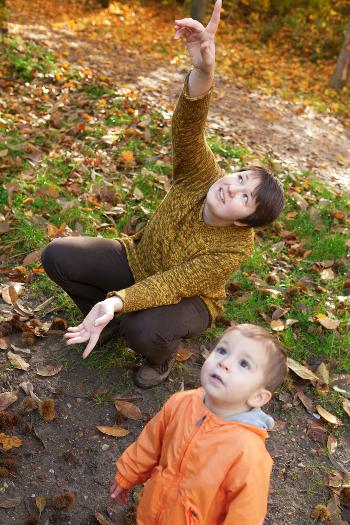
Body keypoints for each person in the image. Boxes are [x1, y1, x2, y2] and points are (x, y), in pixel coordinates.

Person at [40, 0, 285, 388]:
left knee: (144, 328)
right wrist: (204, 70)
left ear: (243, 220)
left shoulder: (236, 246)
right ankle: (100, 322)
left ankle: (160, 357)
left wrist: (119, 300)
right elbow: (189, 125)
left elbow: (171, 285)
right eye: (239, 176)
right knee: (58, 256)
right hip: (137, 258)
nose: (231, 186)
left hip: (189, 299)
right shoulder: (203, 175)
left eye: (244, 196)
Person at [109, 323, 288, 525]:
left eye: (244, 364)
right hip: (152, 509)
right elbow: (150, 443)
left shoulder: (248, 453)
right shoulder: (181, 402)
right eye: (222, 350)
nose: (225, 363)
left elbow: (246, 515)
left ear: (257, 397)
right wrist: (128, 474)